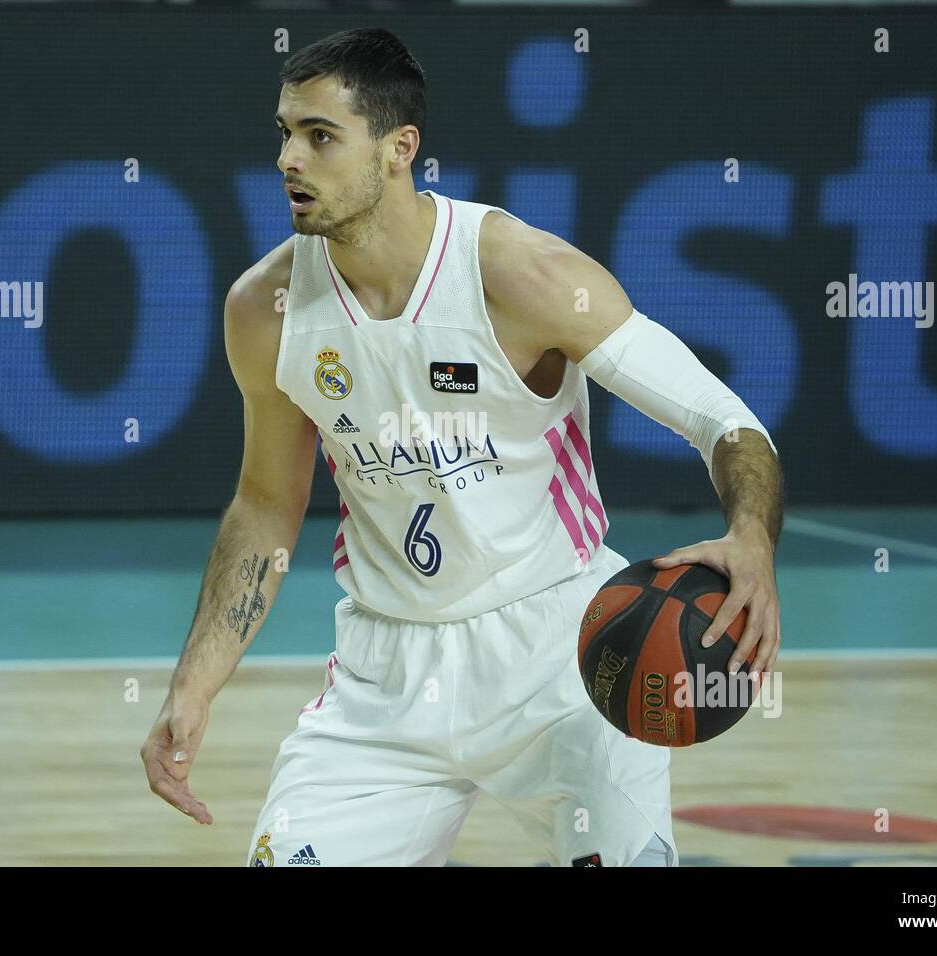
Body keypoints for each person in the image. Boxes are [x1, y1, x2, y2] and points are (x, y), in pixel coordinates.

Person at [142, 28, 783, 867]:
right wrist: (195, 682)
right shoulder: (264, 311)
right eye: (284, 132)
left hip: (566, 659)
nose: (289, 159)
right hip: (386, 674)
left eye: (320, 135)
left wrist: (751, 538)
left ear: (399, 148)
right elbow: (266, 505)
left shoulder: (525, 277)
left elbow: (721, 417)